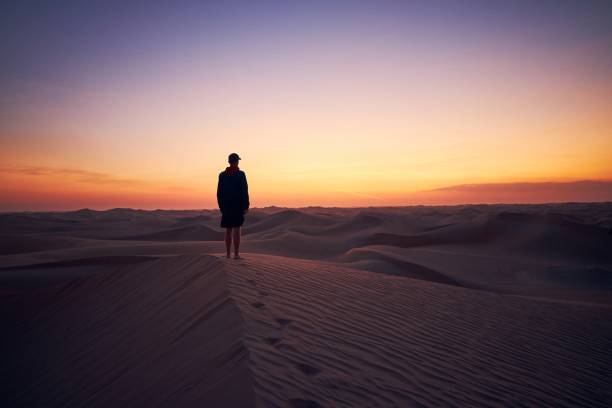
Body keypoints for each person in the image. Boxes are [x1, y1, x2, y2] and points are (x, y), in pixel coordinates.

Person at [217, 153, 249, 259]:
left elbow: (219, 193)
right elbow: (244, 191)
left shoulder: (222, 175)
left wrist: (221, 206)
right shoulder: (241, 174)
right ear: (236, 161)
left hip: (226, 206)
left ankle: (227, 254)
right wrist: (246, 205)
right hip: (238, 206)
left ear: (229, 161)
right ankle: (236, 254)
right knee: (237, 229)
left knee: (228, 230)